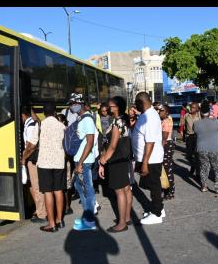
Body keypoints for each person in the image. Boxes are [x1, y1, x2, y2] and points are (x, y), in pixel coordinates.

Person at [30, 103, 67, 232]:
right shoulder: (61, 126)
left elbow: (33, 143)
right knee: (58, 191)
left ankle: (51, 224)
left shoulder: (40, 125)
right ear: (55, 112)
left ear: (44, 113)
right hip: (59, 162)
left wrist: (24, 157)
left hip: (45, 163)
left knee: (48, 192)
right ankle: (59, 220)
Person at [98, 96, 133, 233]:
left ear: (117, 107)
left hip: (116, 159)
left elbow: (112, 146)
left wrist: (102, 160)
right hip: (124, 158)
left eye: (111, 106)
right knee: (126, 189)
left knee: (119, 191)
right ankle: (127, 217)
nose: (108, 108)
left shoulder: (117, 122)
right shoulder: (124, 119)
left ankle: (122, 223)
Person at [132, 91, 165, 225]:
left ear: (142, 103)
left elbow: (150, 142)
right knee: (151, 185)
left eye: (137, 103)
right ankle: (159, 208)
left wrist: (145, 163)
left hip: (150, 159)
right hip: (147, 158)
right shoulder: (146, 115)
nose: (135, 106)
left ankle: (157, 214)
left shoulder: (150, 117)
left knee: (154, 186)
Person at [69, 93, 98, 231]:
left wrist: (80, 163)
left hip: (84, 162)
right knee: (81, 188)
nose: (71, 106)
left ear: (79, 103)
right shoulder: (81, 119)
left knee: (87, 190)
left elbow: (90, 142)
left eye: (73, 103)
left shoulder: (87, 120)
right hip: (81, 160)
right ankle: (87, 218)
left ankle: (89, 220)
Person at [20, 105, 47, 223]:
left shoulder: (31, 125)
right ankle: (39, 209)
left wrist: (23, 158)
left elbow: (31, 146)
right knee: (33, 186)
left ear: (22, 115)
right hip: (32, 159)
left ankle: (42, 214)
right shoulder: (32, 123)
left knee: (37, 187)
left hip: (33, 159)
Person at [193, 101, 218, 198]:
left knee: (204, 167)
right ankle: (217, 186)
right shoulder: (217, 122)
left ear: (200, 112)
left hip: (202, 149)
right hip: (216, 148)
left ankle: (204, 186)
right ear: (210, 111)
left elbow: (195, 133)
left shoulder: (196, 123)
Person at [57, 113, 73, 216]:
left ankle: (67, 206)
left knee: (66, 185)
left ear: (63, 122)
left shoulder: (66, 131)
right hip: (58, 160)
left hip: (65, 161)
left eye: (59, 121)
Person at [159, 104, 175, 200]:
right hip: (165, 145)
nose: (159, 112)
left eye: (162, 110)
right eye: (159, 110)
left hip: (166, 145)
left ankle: (170, 192)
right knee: (164, 169)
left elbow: (164, 137)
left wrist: (159, 149)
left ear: (167, 112)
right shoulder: (163, 121)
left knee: (167, 169)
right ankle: (166, 190)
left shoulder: (166, 121)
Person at [183, 102, 201, 177]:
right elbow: (183, 126)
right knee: (189, 155)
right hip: (189, 137)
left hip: (198, 136)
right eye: (190, 107)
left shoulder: (199, 115)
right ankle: (193, 165)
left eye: (193, 107)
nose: (191, 109)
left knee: (197, 155)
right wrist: (184, 136)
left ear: (197, 109)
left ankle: (198, 173)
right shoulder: (186, 115)